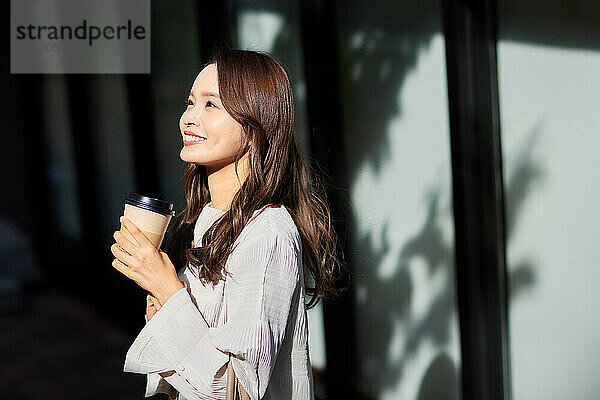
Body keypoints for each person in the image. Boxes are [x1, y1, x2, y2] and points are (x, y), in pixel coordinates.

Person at [110, 45, 345, 400]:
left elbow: (237, 390)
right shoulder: (205, 219)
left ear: (255, 124)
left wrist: (166, 288)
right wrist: (168, 309)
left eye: (210, 104)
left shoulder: (268, 233)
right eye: (190, 102)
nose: (189, 117)